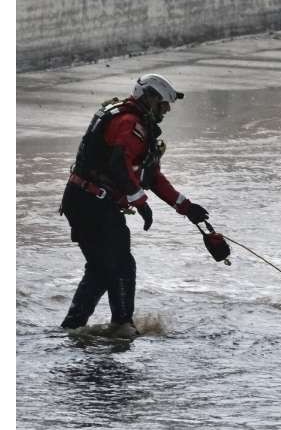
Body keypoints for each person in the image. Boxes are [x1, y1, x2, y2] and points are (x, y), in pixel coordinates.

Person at [59, 74, 211, 337]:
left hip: (86, 200)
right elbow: (119, 164)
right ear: (149, 98)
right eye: (163, 103)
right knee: (120, 263)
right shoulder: (129, 124)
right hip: (90, 202)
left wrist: (187, 207)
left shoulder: (136, 124)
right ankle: (121, 325)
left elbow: (151, 177)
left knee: (101, 268)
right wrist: (139, 201)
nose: (167, 109)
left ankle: (72, 328)